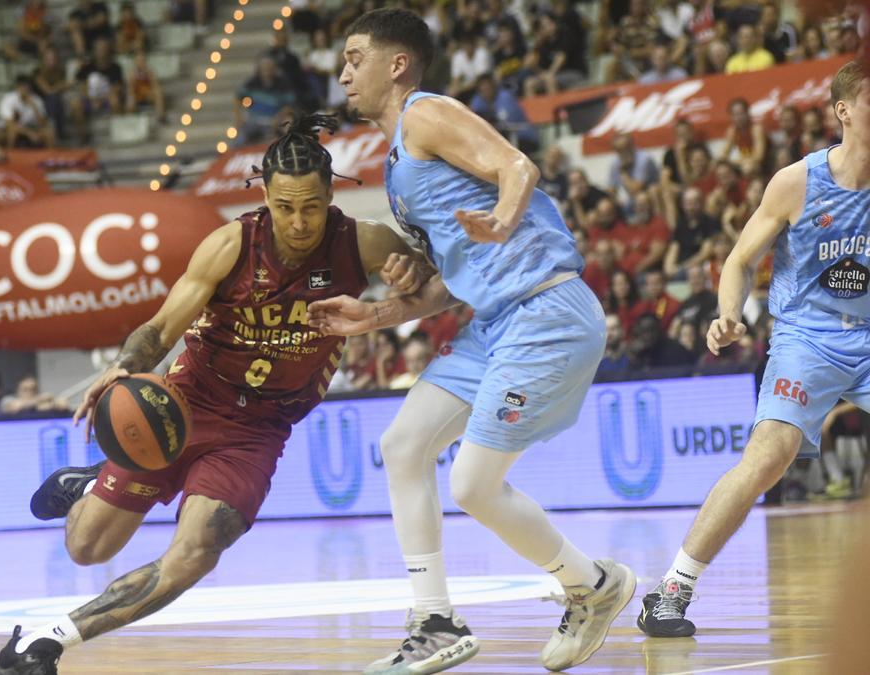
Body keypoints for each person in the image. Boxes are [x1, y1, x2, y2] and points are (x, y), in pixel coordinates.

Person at [0, 114, 434, 675]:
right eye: (285, 207)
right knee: (87, 549)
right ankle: (85, 485)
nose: (298, 222)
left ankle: (49, 641)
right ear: (264, 197)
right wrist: (124, 367)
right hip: (184, 407)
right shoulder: (229, 244)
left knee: (198, 550)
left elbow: (435, 282)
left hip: (258, 431)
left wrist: (408, 276)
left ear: (333, 195)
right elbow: (163, 326)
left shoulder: (364, 242)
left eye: (312, 207)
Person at [311, 10, 636, 673]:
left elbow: (517, 166)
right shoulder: (397, 160)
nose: (342, 72)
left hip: (544, 310)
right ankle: (434, 620)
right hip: (493, 322)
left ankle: (593, 584)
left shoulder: (426, 114)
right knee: (402, 445)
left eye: (353, 57)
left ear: (396, 63)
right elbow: (450, 285)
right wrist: (372, 316)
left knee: (473, 485)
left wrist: (502, 217)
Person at [636, 61, 870, 639]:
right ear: (843, 110)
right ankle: (671, 591)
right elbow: (739, 260)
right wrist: (728, 315)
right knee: (769, 457)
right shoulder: (796, 181)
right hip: (807, 337)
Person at [0, 375, 67, 413]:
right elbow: (16, 407)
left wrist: (53, 405)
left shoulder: (42, 402)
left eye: (32, 389)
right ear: (18, 390)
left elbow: (62, 405)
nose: (29, 393)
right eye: (25, 390)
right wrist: (39, 400)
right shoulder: (8, 400)